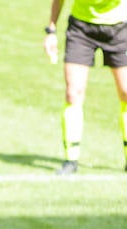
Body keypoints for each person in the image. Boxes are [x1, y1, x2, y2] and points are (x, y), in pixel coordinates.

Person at [43, 0, 127, 174]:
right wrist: (51, 30)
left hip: (119, 29)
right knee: (73, 93)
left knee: (126, 93)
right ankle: (70, 160)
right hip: (81, 29)